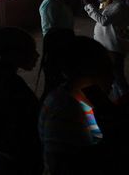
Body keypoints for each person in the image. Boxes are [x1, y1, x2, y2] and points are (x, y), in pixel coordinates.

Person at [38, 36, 121, 174]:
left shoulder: (78, 94)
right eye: (106, 70)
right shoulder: (66, 109)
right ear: (89, 73)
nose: (112, 79)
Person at [0, 27, 42, 175]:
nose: (37, 55)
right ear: (12, 54)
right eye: (30, 51)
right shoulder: (10, 85)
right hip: (10, 159)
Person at [83, 0, 129, 100]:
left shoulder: (120, 7)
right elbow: (100, 13)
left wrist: (88, 4)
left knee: (118, 79)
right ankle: (120, 100)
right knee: (114, 78)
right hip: (108, 45)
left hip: (113, 48)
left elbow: (103, 20)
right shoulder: (114, 4)